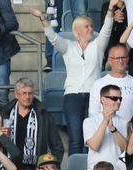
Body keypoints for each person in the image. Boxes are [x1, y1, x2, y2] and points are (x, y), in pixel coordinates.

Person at [33, 7, 115, 155]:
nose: (91, 29)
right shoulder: (68, 46)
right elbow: (53, 37)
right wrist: (42, 18)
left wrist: (110, 9)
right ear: (77, 30)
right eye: (87, 26)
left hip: (94, 97)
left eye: (91, 26)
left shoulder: (98, 46)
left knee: (93, 138)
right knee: (76, 139)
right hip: (72, 97)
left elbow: (107, 28)